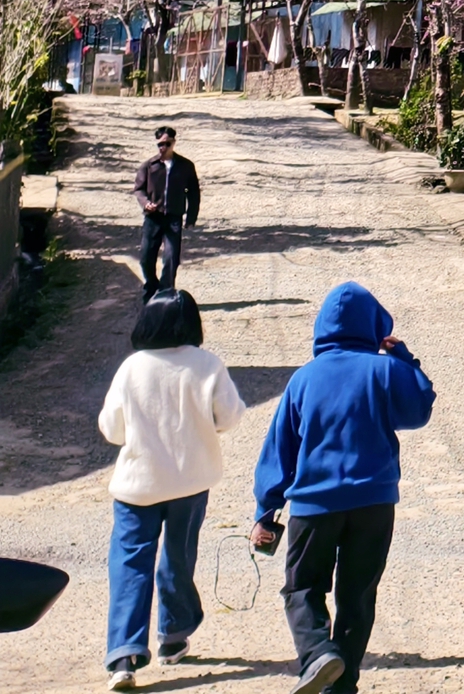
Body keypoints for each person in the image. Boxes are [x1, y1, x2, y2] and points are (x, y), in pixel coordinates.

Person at [250, 283, 436, 694]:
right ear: (374, 326)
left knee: (303, 587)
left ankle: (318, 654)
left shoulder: (304, 379)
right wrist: (402, 357)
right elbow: (418, 409)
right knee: (358, 595)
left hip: (314, 505)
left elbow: (280, 447)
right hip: (374, 502)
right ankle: (342, 683)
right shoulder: (384, 371)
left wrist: (267, 508)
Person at [98, 290, 243, 689]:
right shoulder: (207, 365)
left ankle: (123, 655)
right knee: (177, 557)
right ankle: (173, 636)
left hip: (137, 486)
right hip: (190, 482)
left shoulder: (132, 369)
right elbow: (229, 416)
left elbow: (112, 429)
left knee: (130, 564)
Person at [131, 127, 200, 297]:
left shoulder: (185, 166)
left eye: (167, 144)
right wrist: (146, 203)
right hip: (153, 218)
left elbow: (193, 193)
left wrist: (191, 217)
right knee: (146, 257)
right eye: (160, 144)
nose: (163, 147)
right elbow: (138, 189)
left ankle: (166, 291)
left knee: (171, 258)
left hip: (173, 218)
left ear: (174, 143)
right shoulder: (149, 166)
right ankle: (151, 287)